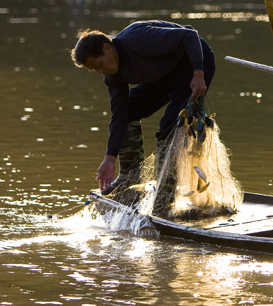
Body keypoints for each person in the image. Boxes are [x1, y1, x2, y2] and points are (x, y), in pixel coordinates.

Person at [71, 20, 215, 196]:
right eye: (95, 70)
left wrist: (199, 74)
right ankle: (130, 176)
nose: (101, 71)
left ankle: (166, 192)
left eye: (100, 64)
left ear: (107, 47)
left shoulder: (139, 39)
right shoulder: (113, 77)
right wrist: (109, 158)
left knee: (169, 127)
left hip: (192, 68)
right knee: (128, 112)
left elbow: (190, 35)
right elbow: (119, 115)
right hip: (163, 75)